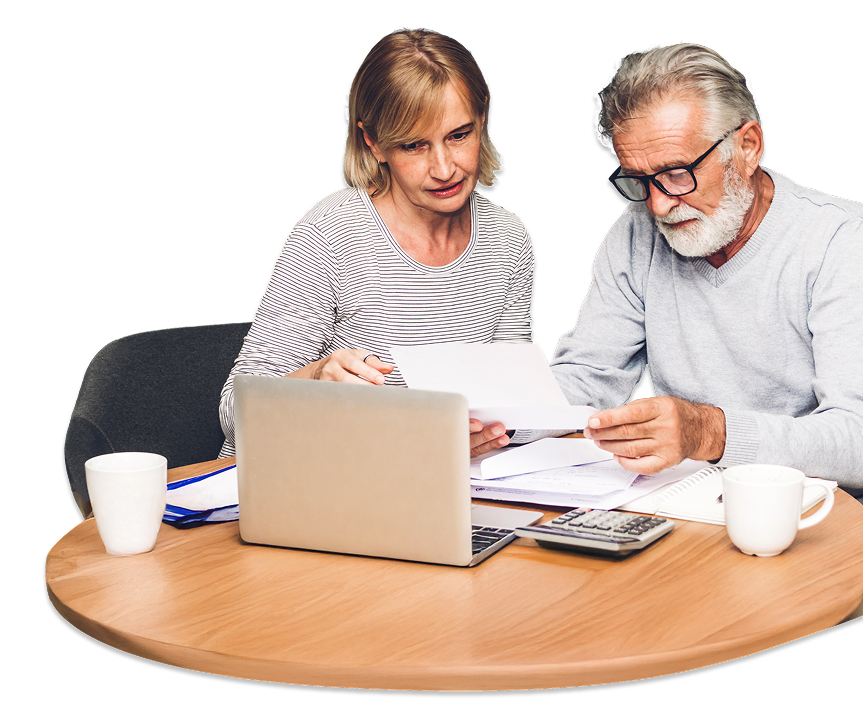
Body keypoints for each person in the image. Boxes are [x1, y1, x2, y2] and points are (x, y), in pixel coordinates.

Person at [530, 42, 863, 496]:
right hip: (690, 503)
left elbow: (856, 440)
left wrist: (710, 433)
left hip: (814, 517)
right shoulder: (638, 229)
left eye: (676, 173)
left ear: (747, 147)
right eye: (639, 180)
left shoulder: (841, 241)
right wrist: (487, 416)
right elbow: (590, 376)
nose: (659, 204)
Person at [218, 28, 533, 458]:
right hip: (302, 482)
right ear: (373, 143)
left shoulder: (507, 239)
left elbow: (508, 402)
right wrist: (314, 381)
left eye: (459, 135)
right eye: (414, 145)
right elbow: (235, 412)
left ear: (482, 121)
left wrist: (489, 433)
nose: (444, 169)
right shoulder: (332, 232)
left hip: (427, 487)